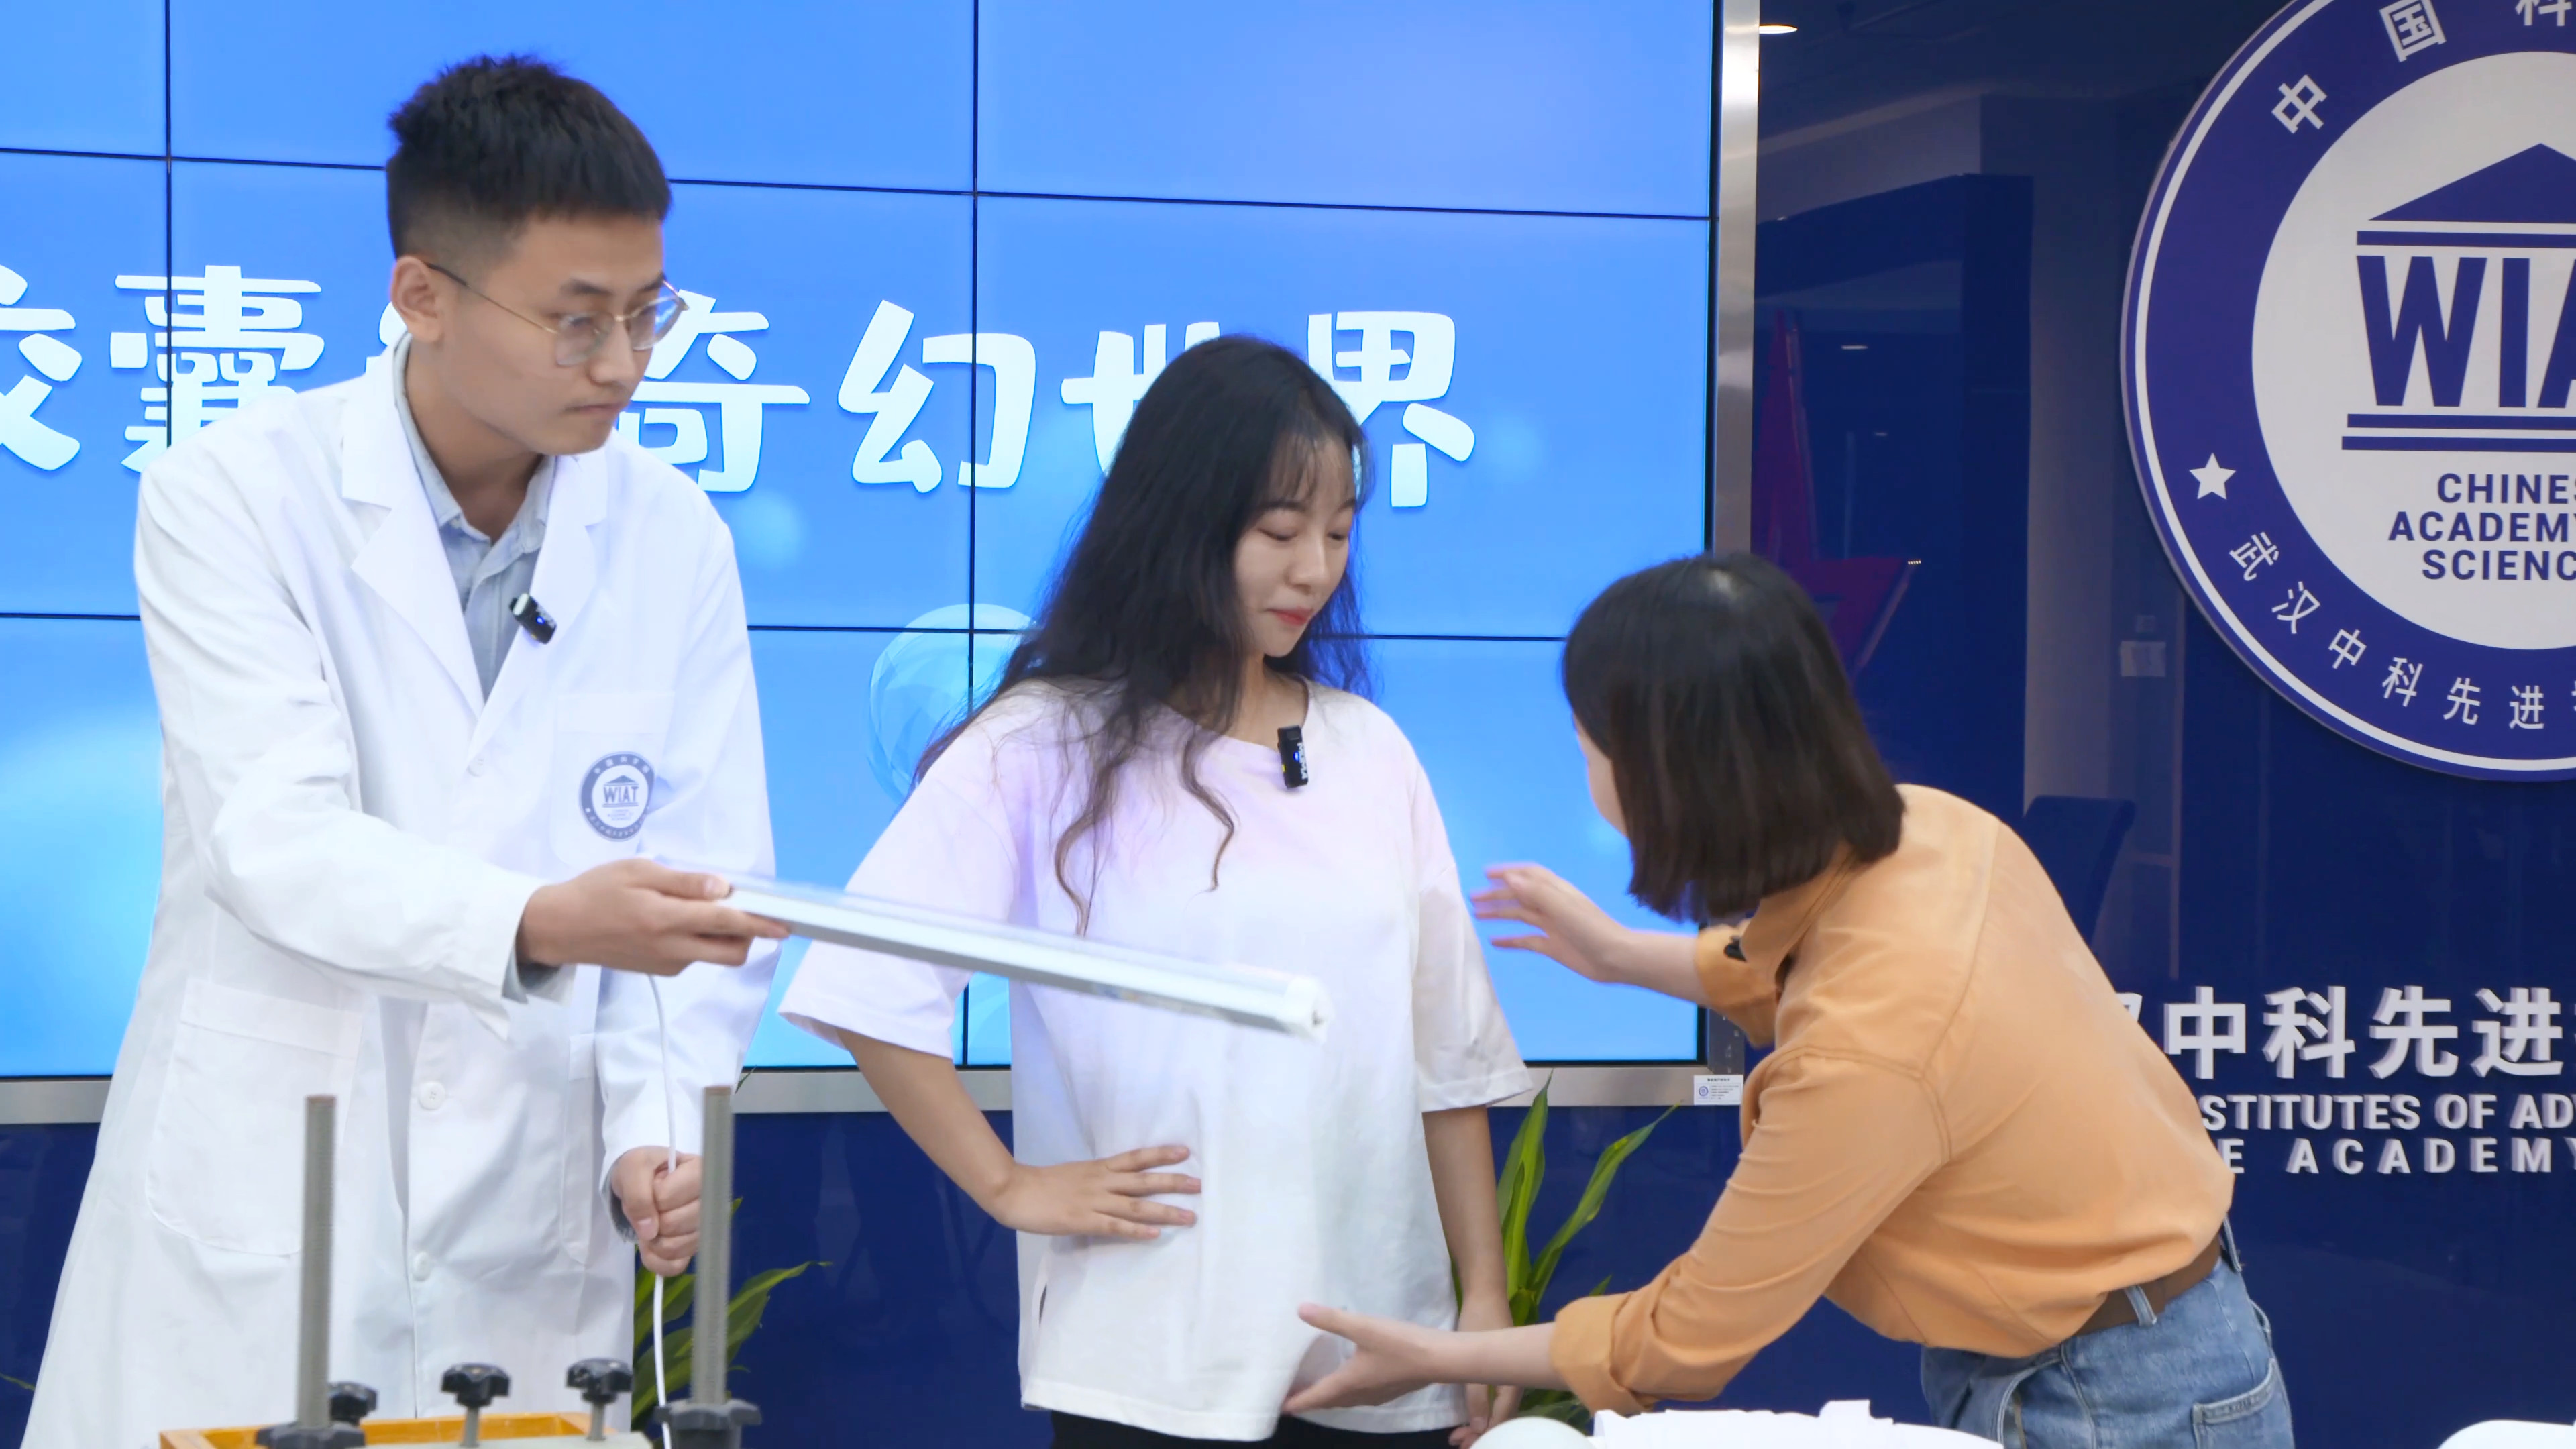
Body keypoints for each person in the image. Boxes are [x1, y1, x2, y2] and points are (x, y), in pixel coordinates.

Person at [26, 57, 786, 1448]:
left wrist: (654, 1122)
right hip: (274, 1186)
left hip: (528, 1207)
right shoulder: (233, 495)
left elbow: (705, 880)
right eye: (576, 321)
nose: (623, 364)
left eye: (647, 314)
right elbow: (274, 842)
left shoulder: (674, 535)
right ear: (423, 295)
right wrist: (542, 921)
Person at [1286, 554, 2293, 1446]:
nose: (1584, 770)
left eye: (1589, 746)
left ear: (1666, 780)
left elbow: (1688, 1334)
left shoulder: (1864, 1056)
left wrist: (1438, 1356)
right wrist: (1621, 956)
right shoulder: (1940, 831)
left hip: (2103, 1402)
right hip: (2155, 1337)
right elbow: (1806, 955)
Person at [777, 336, 1532, 1448]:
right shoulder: (1042, 743)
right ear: (1182, 521)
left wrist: (1483, 1300)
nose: (1314, 571)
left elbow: (1445, 1058)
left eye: (1338, 533)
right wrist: (1010, 1186)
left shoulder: (1370, 748)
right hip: (1147, 1359)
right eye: (1279, 531)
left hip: (1382, 1350)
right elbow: (864, 981)